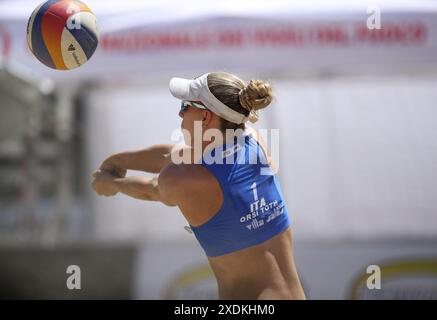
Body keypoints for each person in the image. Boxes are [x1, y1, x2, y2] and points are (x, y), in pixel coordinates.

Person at [91, 71, 306, 300]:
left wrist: (111, 183)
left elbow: (150, 189)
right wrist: (118, 161)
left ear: (205, 117)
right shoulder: (255, 141)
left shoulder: (185, 178)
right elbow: (171, 155)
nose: (179, 112)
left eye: (186, 106)